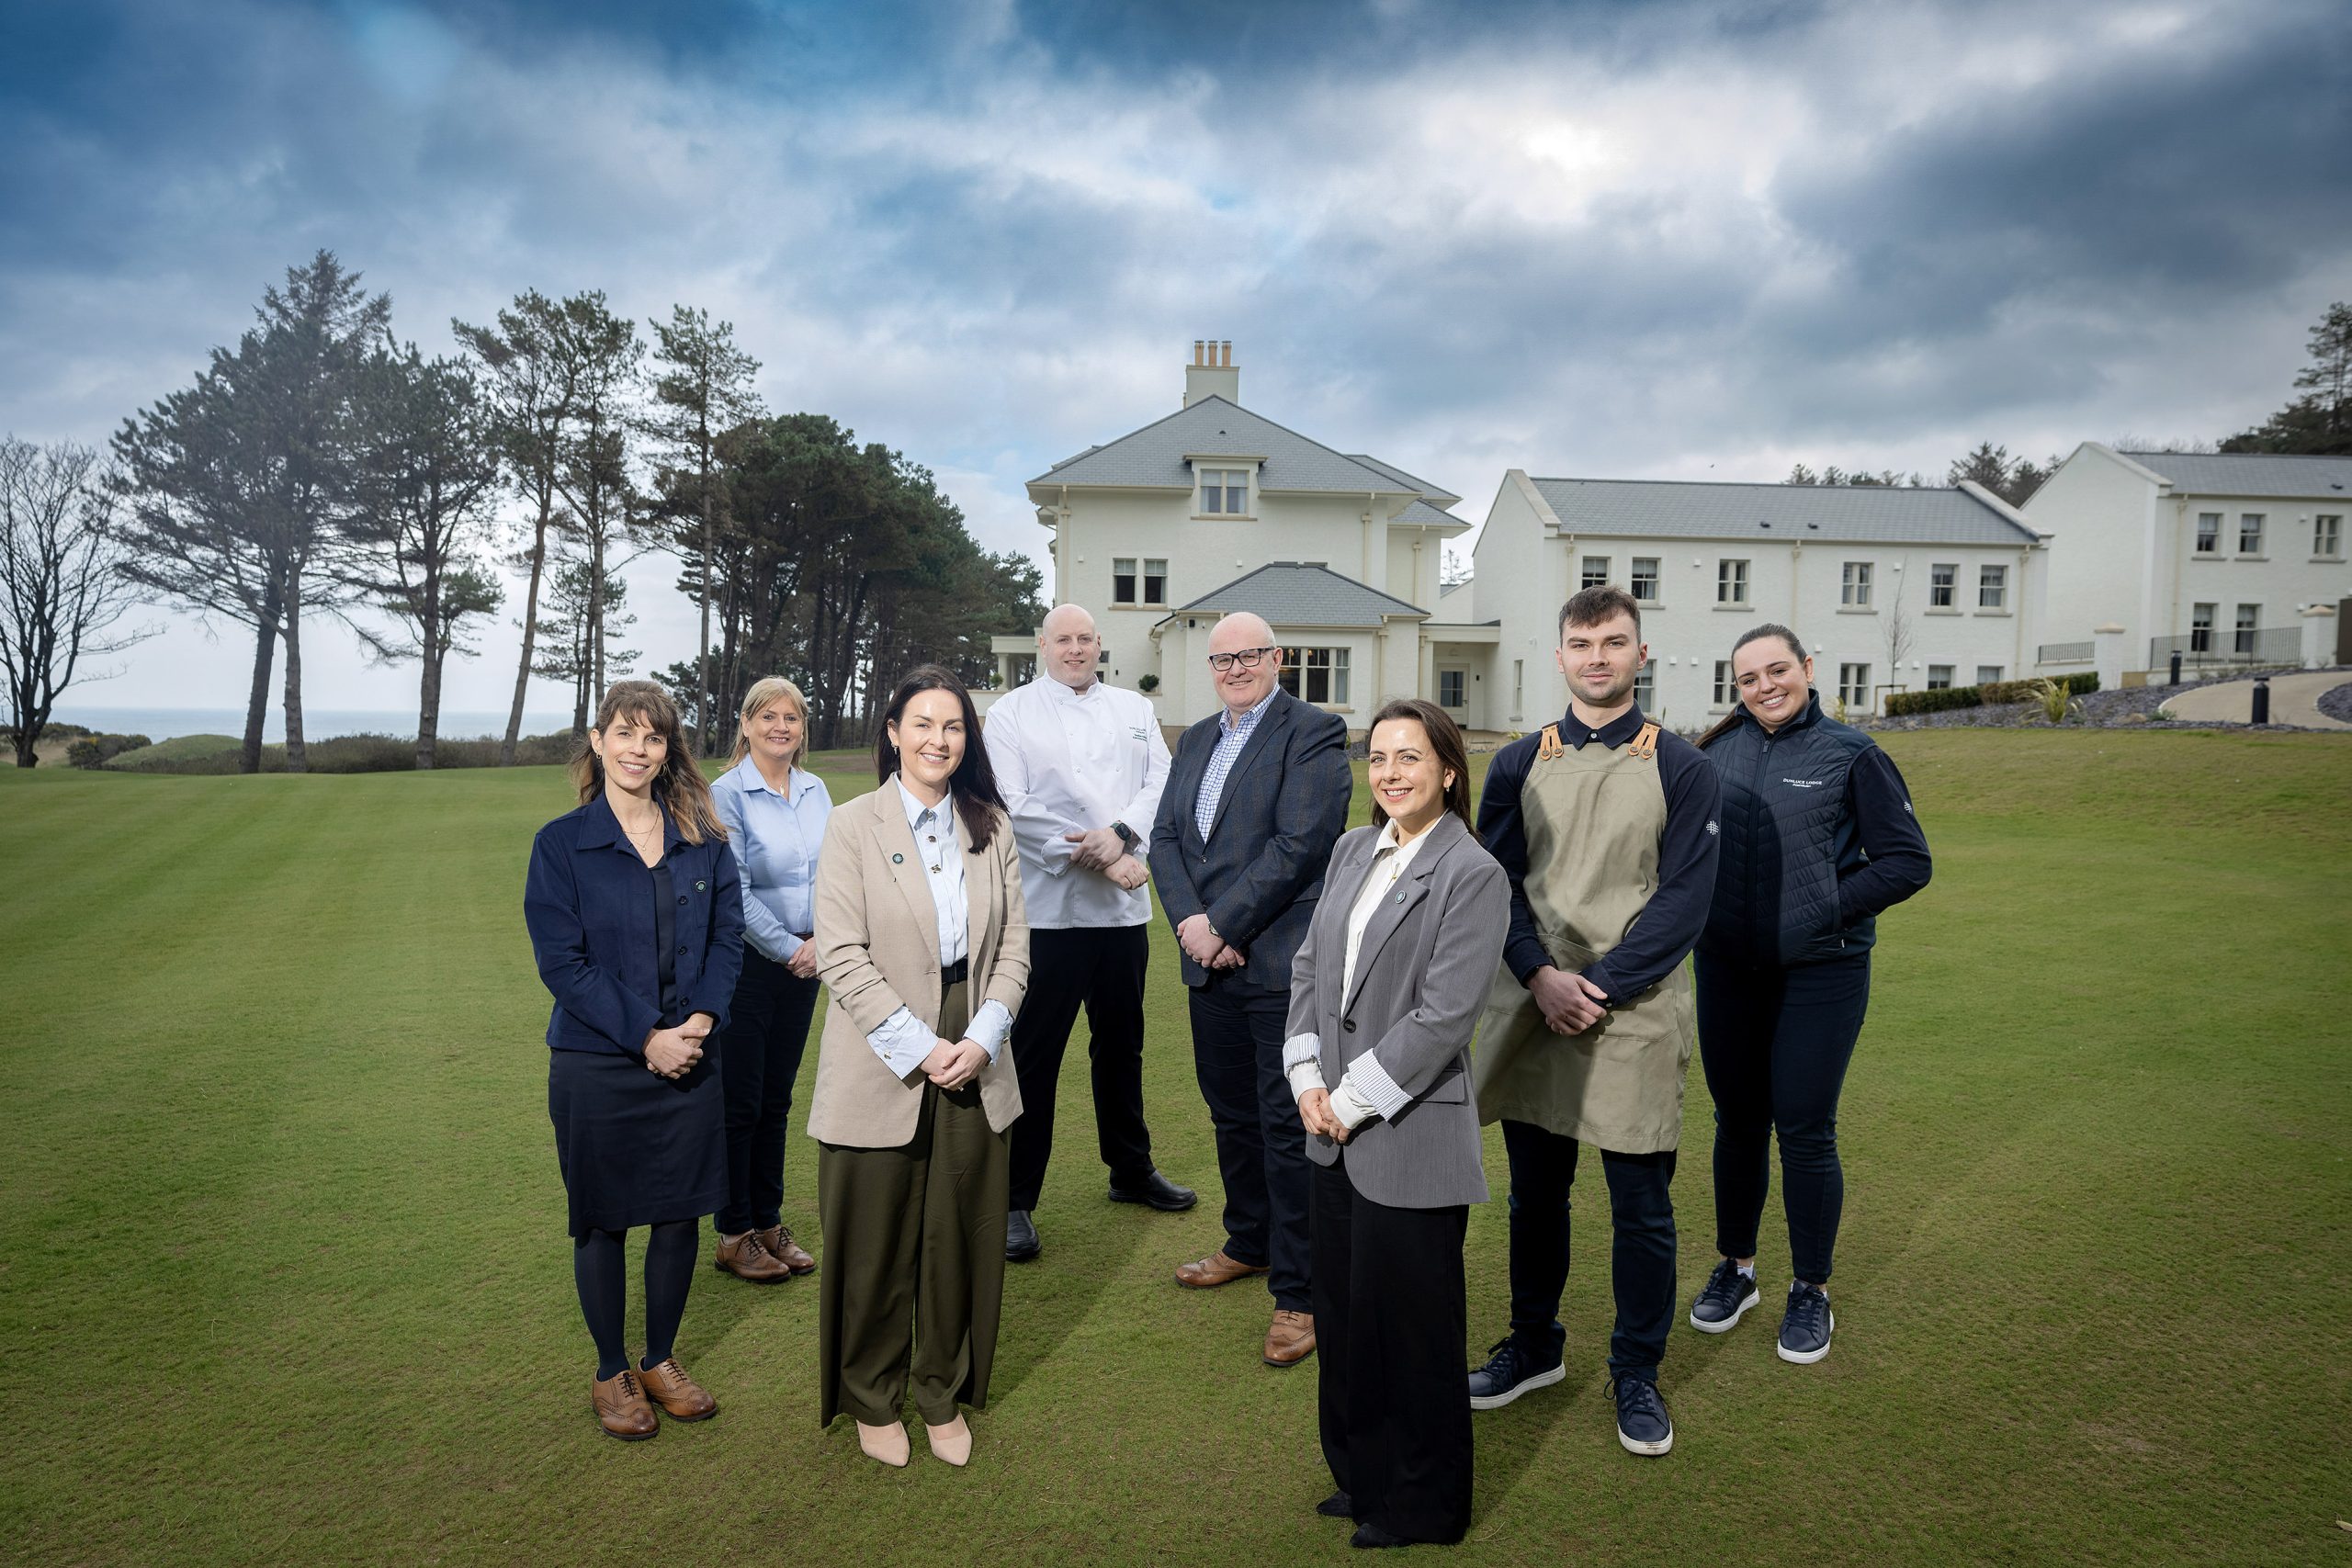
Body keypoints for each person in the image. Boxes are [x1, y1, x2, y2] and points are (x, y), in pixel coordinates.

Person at [1468, 585, 1721, 1458]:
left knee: (1641, 1205)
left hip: (1634, 1010)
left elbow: (1685, 899)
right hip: (1533, 1003)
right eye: (1583, 642)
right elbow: (1491, 883)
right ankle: (1535, 1346)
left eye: (1615, 642)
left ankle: (1637, 1371)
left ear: (1640, 653)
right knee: (1536, 1195)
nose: (1598, 656)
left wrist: (1597, 986)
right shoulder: (1514, 764)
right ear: (1561, 654)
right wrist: (1540, 975)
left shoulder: (1684, 767)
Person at [1284, 700, 1508, 1550]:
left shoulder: (1472, 872)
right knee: (1344, 1316)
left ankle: (1425, 1503)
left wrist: (1344, 1103)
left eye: (1409, 757)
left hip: (1403, 1132)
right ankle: (1364, 1476)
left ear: (1448, 769)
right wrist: (1306, 1076)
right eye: (1377, 758)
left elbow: (1444, 1017)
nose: (1390, 773)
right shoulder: (1352, 847)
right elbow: (1308, 970)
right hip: (1330, 1129)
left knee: (1413, 1329)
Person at [1685, 624, 1931, 1363]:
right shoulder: (1712, 752)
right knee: (1737, 1120)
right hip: (1727, 969)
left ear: (1806, 669)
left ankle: (1810, 1289)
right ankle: (1737, 1268)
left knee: (1804, 1128)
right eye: (1749, 677)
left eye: (1777, 670)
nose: (1764, 686)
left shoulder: (1853, 754)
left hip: (1821, 971)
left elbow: (1907, 862)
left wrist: (1823, 903)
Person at [807, 665, 1030, 1469]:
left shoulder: (993, 824)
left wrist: (983, 1034)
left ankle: (940, 1388)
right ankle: (871, 1394)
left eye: (955, 726)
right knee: (874, 1237)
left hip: (977, 1044)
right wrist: (922, 1045)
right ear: (893, 733)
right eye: (923, 724)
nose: (939, 739)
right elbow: (839, 953)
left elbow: (1012, 949)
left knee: (957, 1236)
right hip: (883, 1054)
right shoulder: (851, 825)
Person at [524, 680, 746, 1441]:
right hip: (599, 1061)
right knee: (604, 1221)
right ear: (598, 738)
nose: (637, 749)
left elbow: (726, 938)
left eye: (652, 738)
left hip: (689, 1052)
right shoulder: (561, 844)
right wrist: (649, 1035)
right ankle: (611, 1368)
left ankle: (659, 1359)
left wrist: (698, 1022)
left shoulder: (704, 839)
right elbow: (564, 963)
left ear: (667, 748)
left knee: (680, 1212)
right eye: (624, 733)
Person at [1149, 610, 1351, 1369]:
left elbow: (1301, 845)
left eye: (1250, 655)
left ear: (1278, 657)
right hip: (1209, 961)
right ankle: (1250, 1243)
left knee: (1285, 1125)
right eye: (1221, 659)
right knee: (1230, 1112)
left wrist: (1223, 924)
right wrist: (1191, 925)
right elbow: (1165, 838)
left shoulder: (1314, 731)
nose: (1235, 668)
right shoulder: (1197, 737)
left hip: (1278, 965)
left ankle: (1300, 1293)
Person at [982, 604, 1194, 1264]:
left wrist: (1123, 834)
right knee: (1035, 1058)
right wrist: (1110, 856)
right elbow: (1014, 806)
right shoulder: (1010, 713)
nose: (1075, 649)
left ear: (1099, 645)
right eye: (1062, 639)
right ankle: (1015, 1197)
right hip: (1048, 915)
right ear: (1043, 645)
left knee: (1121, 1047)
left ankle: (1130, 1169)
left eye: (1085, 639)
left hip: (1123, 919)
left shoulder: (1133, 709)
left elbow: (1164, 779)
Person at [707, 676, 832, 1282]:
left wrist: (819, 946)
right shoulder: (726, 794)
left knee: (777, 1099)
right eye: (769, 717)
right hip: (749, 968)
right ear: (747, 724)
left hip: (809, 960)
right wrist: (790, 949)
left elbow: (836, 872)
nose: (781, 726)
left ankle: (767, 1218)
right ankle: (733, 1233)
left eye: (792, 717)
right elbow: (735, 892)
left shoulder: (815, 789)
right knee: (742, 1101)